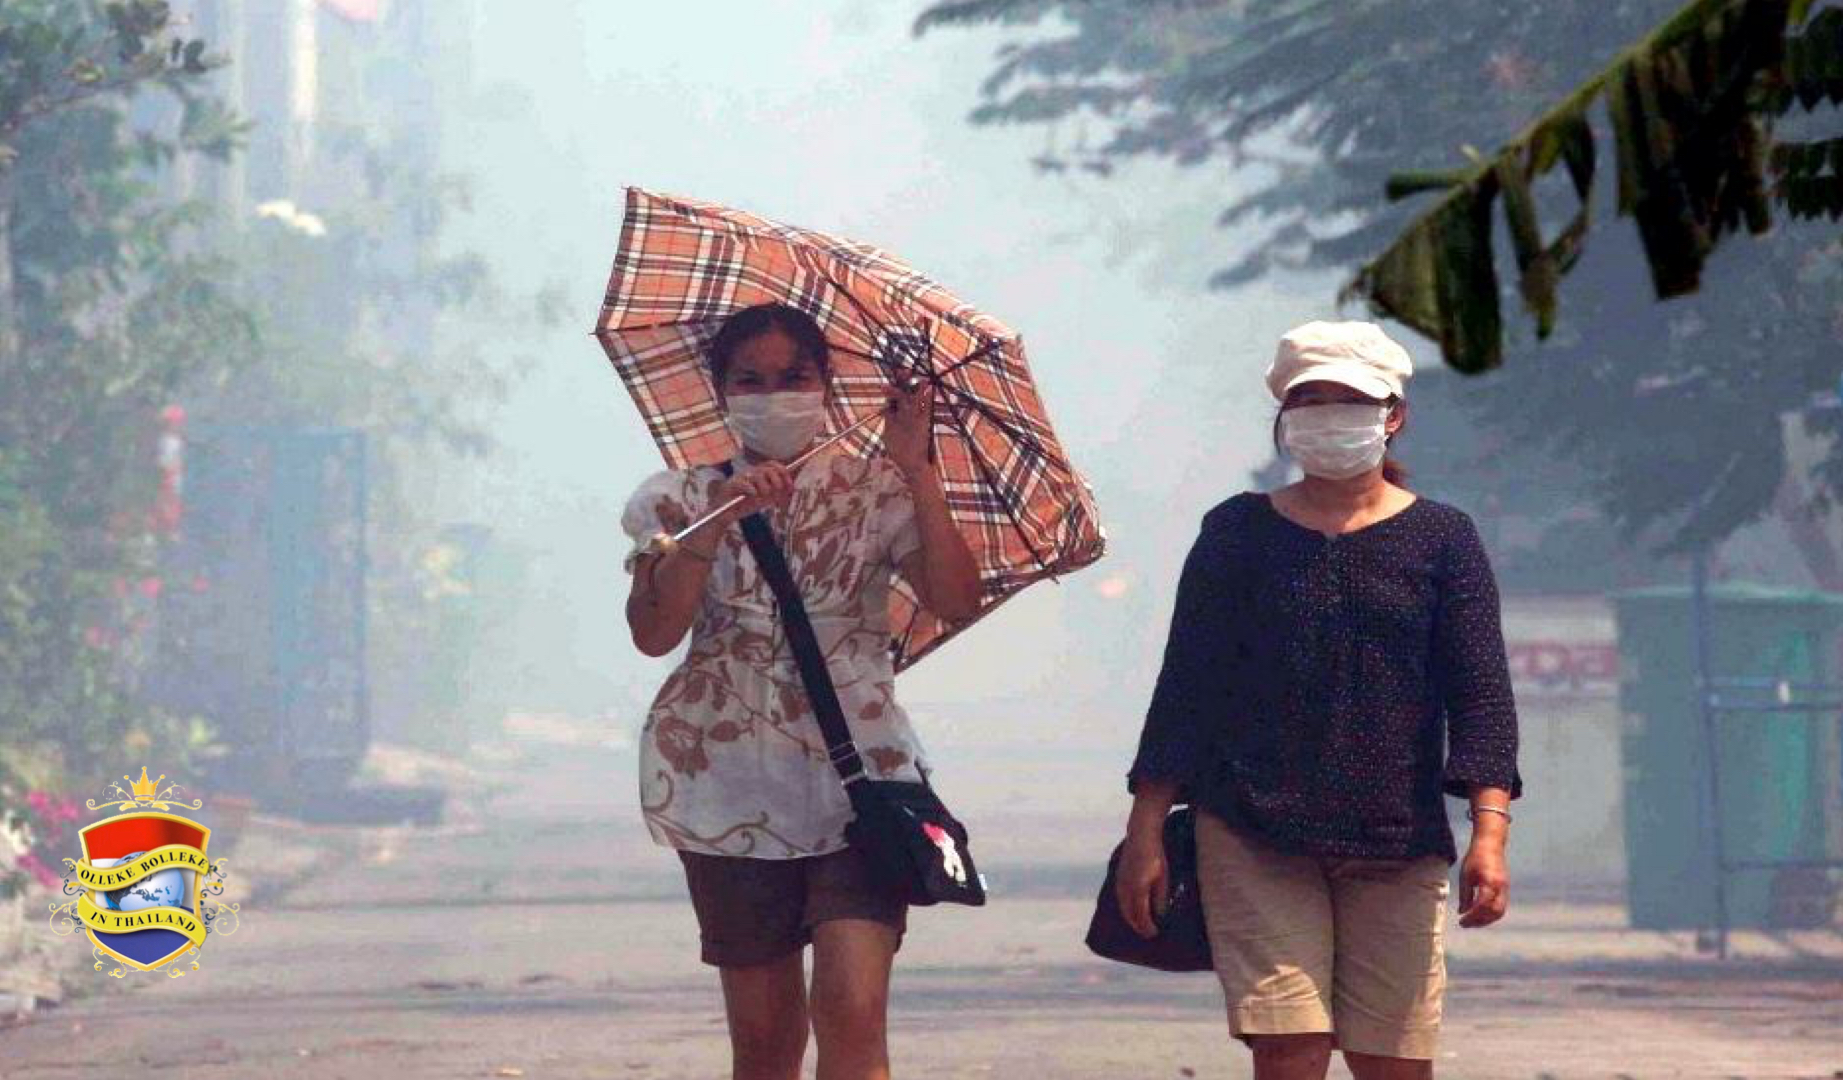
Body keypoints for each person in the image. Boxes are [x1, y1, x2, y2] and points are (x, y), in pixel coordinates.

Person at [1115, 321, 1522, 1080]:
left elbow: (1481, 698)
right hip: (1252, 827)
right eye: (1312, 400)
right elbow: (1185, 689)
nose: (1331, 415)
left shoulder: (1442, 538)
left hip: (1397, 838)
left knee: (1390, 1060)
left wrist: (1489, 834)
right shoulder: (1236, 533)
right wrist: (1144, 830)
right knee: (1289, 1051)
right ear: (1282, 416)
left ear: (1392, 413)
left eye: (1350, 400)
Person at [620, 302, 980, 1080]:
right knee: (765, 1040)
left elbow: (954, 598)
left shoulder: (880, 491)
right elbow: (653, 632)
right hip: (721, 789)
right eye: (751, 380)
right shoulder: (675, 502)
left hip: (863, 783)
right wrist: (715, 524)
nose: (774, 394)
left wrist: (917, 470)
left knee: (853, 1009)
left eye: (795, 377)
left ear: (825, 385)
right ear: (721, 393)